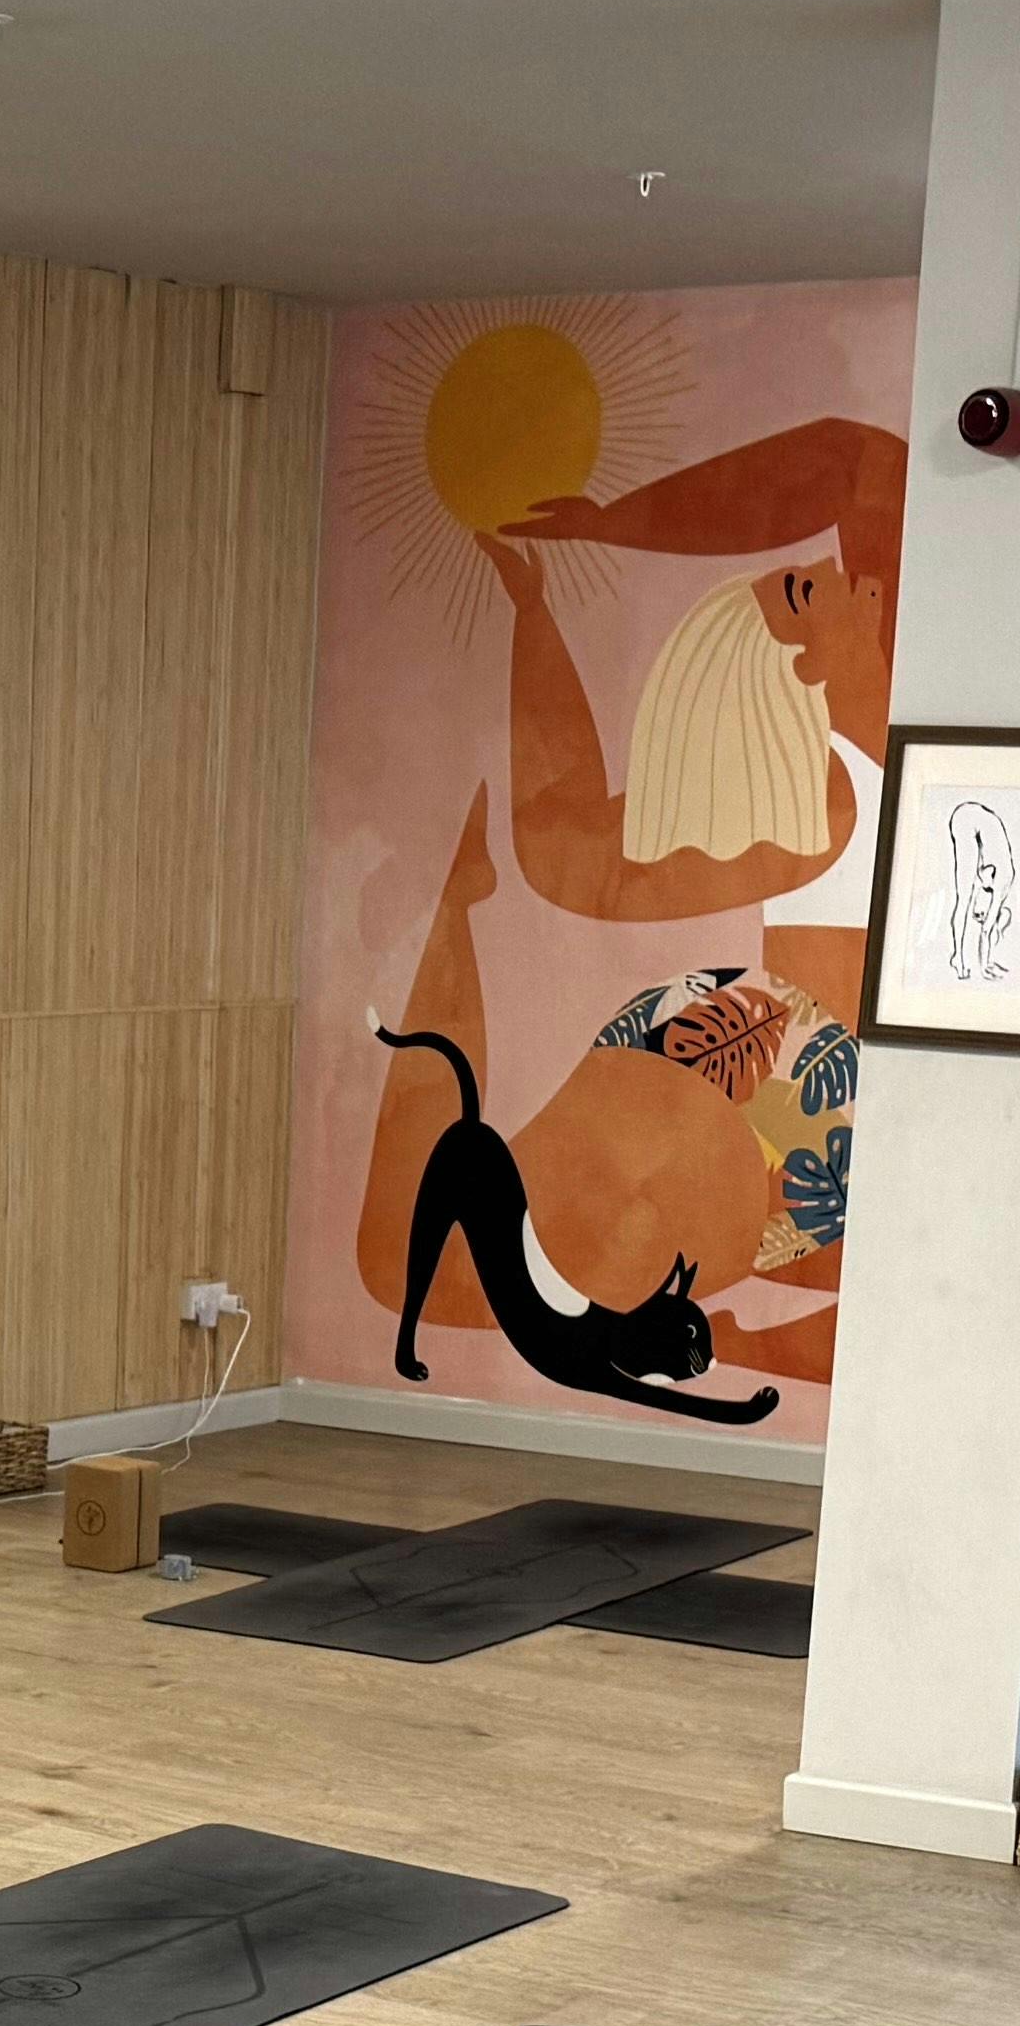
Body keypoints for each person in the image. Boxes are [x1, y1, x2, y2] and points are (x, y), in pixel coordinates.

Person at [357, 415, 902, 1393]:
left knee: (439, 1250)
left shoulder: (873, 730)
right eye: (806, 589)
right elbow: (565, 848)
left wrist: (612, 526)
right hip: (785, 1091)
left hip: (792, 1094)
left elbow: (852, 456)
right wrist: (541, 610)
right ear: (800, 670)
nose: (848, 574)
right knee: (440, 1254)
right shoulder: (819, 803)